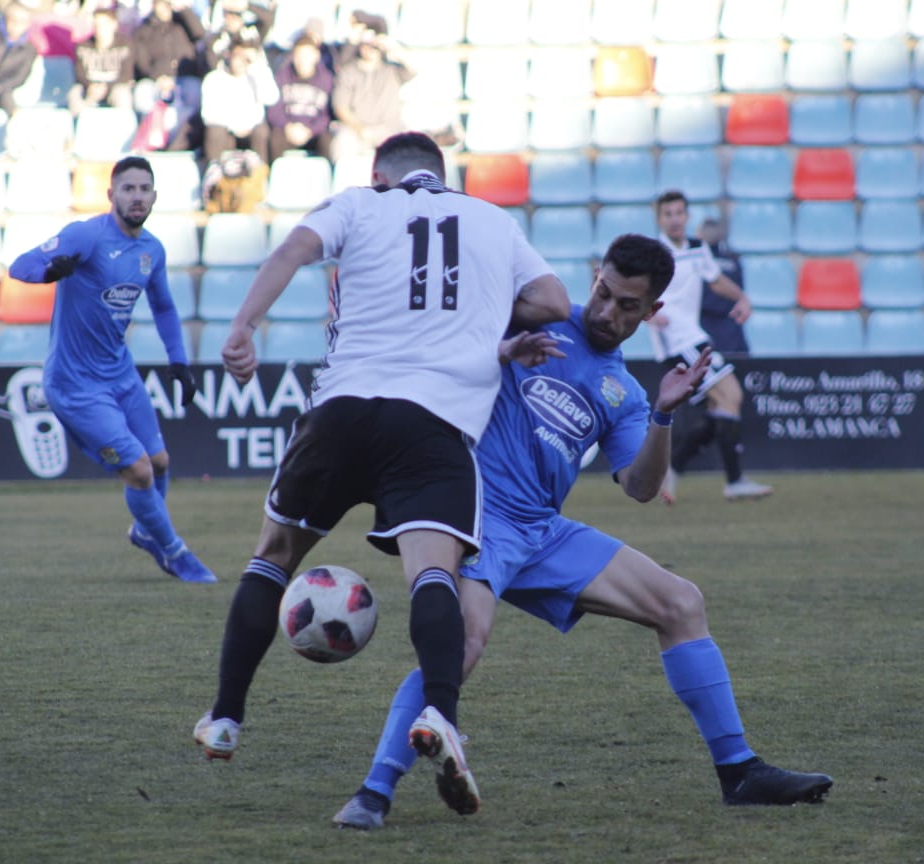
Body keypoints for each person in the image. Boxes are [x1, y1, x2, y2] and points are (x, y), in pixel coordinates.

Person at [329, 234, 833, 829]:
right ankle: (373, 792)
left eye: (626, 307)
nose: (606, 312)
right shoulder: (531, 317)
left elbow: (641, 487)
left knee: (681, 603)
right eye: (603, 293)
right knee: (460, 645)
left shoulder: (625, 392)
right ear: (594, 276)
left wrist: (665, 415)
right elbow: (440, 349)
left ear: (652, 314)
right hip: (475, 514)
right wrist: (503, 350)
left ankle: (740, 772)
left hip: (540, 530)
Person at [191, 132, 571, 813]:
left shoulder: (359, 205)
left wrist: (244, 325)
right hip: (431, 425)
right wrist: (483, 319)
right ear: (443, 175)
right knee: (433, 576)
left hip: (341, 413)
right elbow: (554, 301)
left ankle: (224, 718)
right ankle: (441, 717)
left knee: (272, 559)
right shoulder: (491, 220)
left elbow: (294, 250)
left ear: (381, 176)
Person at [8, 156, 216, 585]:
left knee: (159, 461)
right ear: (111, 195)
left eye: (144, 189)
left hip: (121, 375)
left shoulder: (151, 250)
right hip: (74, 385)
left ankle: (146, 531)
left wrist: (179, 362)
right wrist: (49, 271)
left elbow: (162, 305)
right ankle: (175, 552)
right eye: (128, 188)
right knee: (138, 470)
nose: (137, 196)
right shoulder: (86, 235)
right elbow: (19, 266)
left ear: (154, 196)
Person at [648, 191, 771, 504]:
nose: (675, 219)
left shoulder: (697, 248)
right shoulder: (653, 252)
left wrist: (741, 298)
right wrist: (647, 310)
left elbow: (715, 280)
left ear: (687, 217)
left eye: (679, 213)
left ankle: (671, 470)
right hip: (677, 341)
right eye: (668, 214)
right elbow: (633, 288)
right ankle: (734, 481)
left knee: (718, 410)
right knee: (731, 396)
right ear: (659, 219)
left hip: (694, 336)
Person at [328, 15, 415, 163]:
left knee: (410, 146)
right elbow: (340, 107)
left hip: (390, 128)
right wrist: (360, 128)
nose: (371, 49)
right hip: (356, 130)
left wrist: (390, 44)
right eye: (367, 44)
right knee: (341, 144)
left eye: (374, 45)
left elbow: (415, 67)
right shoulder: (348, 71)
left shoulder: (392, 70)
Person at [132, 0, 206, 151]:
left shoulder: (183, 24)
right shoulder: (144, 29)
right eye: (162, 3)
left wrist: (182, 9)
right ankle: (148, 141)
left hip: (183, 77)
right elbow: (141, 60)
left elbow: (200, 33)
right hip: (155, 79)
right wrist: (158, 77)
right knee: (142, 93)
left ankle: (186, 142)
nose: (166, 7)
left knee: (195, 91)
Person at [201, 40, 280, 165]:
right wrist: (234, 126)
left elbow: (271, 99)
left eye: (247, 58)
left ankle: (260, 176)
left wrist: (256, 69)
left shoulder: (257, 76)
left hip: (251, 130)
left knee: (262, 132)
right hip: (226, 131)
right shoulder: (214, 78)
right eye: (239, 56)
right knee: (214, 133)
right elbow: (208, 114)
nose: (242, 62)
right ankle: (214, 176)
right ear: (230, 55)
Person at [266, 34, 334, 162]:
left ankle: (324, 177)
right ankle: (274, 176)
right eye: (299, 56)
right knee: (275, 138)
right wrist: (288, 127)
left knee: (327, 140)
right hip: (288, 130)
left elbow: (327, 115)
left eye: (307, 55)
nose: (302, 61)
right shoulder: (282, 77)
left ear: (316, 56)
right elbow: (274, 110)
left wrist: (310, 130)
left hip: (312, 132)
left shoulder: (327, 80)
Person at [67, 6, 135, 117]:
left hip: (114, 87)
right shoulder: (83, 46)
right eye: (96, 25)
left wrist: (106, 87)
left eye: (104, 24)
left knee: (122, 94)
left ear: (114, 25)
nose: (99, 29)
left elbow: (126, 74)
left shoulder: (125, 45)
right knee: (74, 93)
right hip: (89, 87)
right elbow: (79, 73)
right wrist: (90, 86)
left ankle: (123, 130)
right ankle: (76, 128)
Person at [696, 218, 750, 357]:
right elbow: (740, 290)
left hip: (704, 324)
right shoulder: (733, 259)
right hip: (729, 326)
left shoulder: (698, 260)